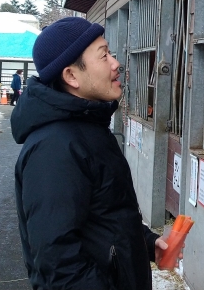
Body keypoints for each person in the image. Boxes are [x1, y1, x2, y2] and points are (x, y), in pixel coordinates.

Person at [11, 17, 170, 290]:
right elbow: (58, 265)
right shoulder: (55, 148)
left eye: (111, 53)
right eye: (104, 55)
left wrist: (143, 242)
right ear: (71, 76)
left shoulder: (88, 128)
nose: (115, 63)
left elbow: (103, 215)